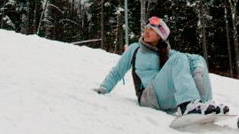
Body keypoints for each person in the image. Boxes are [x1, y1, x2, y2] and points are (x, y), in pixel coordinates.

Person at [95, 16, 228, 116]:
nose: (146, 32)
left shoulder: (168, 54)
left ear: (160, 36)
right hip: (149, 96)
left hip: (168, 100)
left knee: (198, 60)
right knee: (180, 58)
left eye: (151, 30)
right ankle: (188, 105)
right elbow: (117, 72)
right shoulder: (134, 49)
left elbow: (195, 59)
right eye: (146, 29)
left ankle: (204, 105)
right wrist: (103, 88)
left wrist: (198, 71)